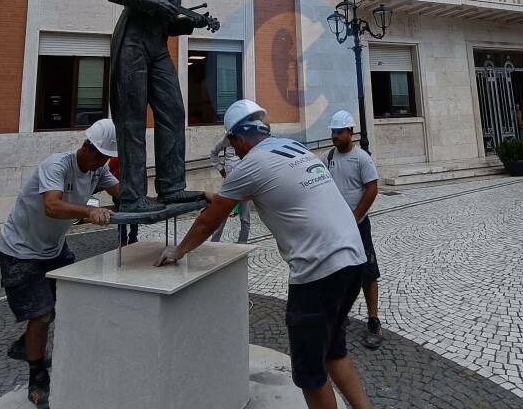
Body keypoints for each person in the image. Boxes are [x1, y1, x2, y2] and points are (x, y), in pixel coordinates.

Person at [155, 100, 371, 409]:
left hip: (317, 270)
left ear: (239, 138)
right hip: (353, 258)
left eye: (232, 143)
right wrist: (210, 195)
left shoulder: (250, 164)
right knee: (334, 350)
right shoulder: (294, 148)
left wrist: (177, 252)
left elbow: (208, 221)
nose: (234, 149)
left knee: (311, 374)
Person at [0, 119, 121, 408]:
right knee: (41, 314)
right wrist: (91, 211)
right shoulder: (56, 166)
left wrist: (144, 202)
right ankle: (37, 375)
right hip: (20, 251)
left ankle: (26, 345)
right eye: (99, 155)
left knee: (69, 300)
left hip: (53, 249)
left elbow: (121, 193)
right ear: (86, 146)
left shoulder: (98, 170)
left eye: (106, 158)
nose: (101, 162)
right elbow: (52, 205)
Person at [102, 0, 211, 212]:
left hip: (157, 47)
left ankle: (172, 186)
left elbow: (166, 21)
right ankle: (134, 195)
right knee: (133, 119)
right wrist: (151, 0)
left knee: (174, 111)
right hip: (132, 45)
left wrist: (188, 23)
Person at [326, 110, 382, 350]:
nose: (335, 136)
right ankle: (340, 314)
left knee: (367, 272)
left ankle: (373, 321)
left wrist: (356, 216)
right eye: (333, 132)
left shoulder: (362, 158)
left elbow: (372, 189)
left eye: (339, 132)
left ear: (351, 132)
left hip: (358, 226)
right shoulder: (328, 157)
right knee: (338, 270)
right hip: (336, 226)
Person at [208, 133, 252, 243]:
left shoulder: (247, 139)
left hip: (244, 184)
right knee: (222, 216)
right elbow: (213, 153)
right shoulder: (226, 138)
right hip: (229, 184)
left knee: (245, 219)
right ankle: (214, 242)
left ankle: (243, 244)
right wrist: (220, 168)